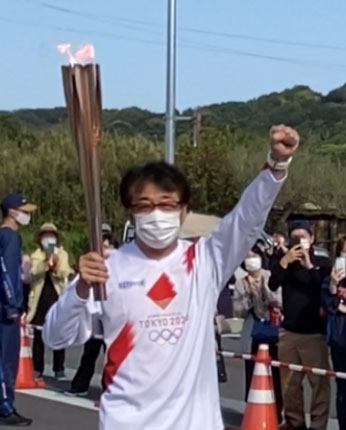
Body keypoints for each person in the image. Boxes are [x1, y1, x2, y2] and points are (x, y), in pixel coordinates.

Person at [43, 125, 300, 430]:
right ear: (130, 213)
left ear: (183, 210)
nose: (156, 213)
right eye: (144, 205)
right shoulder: (106, 269)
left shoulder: (204, 259)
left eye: (167, 204)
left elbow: (246, 218)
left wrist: (275, 165)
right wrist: (81, 289)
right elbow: (56, 337)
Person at [269, 220, 331, 430]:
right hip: (289, 331)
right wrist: (284, 261)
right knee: (289, 384)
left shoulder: (321, 260)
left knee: (319, 384)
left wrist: (309, 265)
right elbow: (272, 283)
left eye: (303, 237)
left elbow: (323, 287)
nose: (299, 241)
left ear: (312, 238)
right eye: (294, 238)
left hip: (314, 333)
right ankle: (294, 423)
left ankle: (318, 425)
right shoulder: (283, 260)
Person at [65, 224, 118, 397]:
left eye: (107, 245)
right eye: (102, 245)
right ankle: (80, 385)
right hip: (95, 316)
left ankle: (110, 388)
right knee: (90, 352)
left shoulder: (119, 266)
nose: (105, 249)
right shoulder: (89, 265)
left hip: (112, 317)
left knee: (113, 355)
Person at [233, 246, 283, 423]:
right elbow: (238, 311)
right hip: (253, 332)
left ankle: (277, 412)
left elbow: (279, 301)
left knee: (276, 373)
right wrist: (248, 296)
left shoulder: (269, 276)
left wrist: (264, 289)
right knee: (252, 372)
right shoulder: (241, 282)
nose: (251, 260)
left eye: (254, 256)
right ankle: (253, 409)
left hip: (272, 328)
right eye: (247, 257)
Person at [0, 193, 36, 427]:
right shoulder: (9, 237)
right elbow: (6, 273)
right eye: (24, 211)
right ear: (12, 212)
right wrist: (13, 304)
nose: (27, 215)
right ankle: (5, 406)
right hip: (6, 309)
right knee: (6, 359)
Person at [27, 223, 73, 381]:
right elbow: (33, 272)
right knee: (39, 337)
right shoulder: (36, 255)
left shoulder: (63, 254)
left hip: (57, 298)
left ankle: (59, 368)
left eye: (51, 235)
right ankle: (38, 368)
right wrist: (46, 262)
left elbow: (65, 272)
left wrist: (56, 264)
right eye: (45, 235)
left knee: (58, 334)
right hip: (41, 300)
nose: (48, 237)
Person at [322, 236, 346, 430]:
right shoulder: (332, 278)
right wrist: (332, 285)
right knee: (343, 390)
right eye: (344, 253)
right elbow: (329, 306)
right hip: (340, 339)